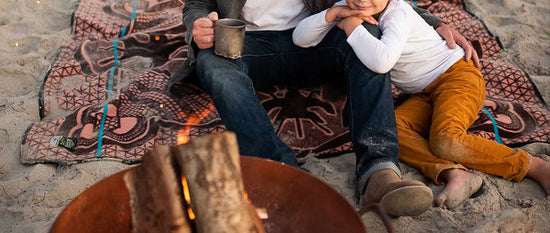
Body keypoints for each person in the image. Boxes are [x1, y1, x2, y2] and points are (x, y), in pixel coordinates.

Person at [170, 0, 480, 216]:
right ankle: (280, 172)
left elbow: (379, 3)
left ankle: (378, 172)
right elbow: (196, 4)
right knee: (211, 61)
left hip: (317, 39)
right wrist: (198, 26)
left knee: (368, 33)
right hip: (247, 43)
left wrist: (431, 20)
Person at [293, 0, 550, 209]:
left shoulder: (398, 13)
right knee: (390, 131)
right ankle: (453, 173)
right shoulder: (352, 6)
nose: (361, 0)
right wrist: (334, 12)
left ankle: (533, 166)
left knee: (447, 139)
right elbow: (300, 38)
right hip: (424, 93)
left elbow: (381, 62)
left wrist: (350, 27)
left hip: (457, 78)